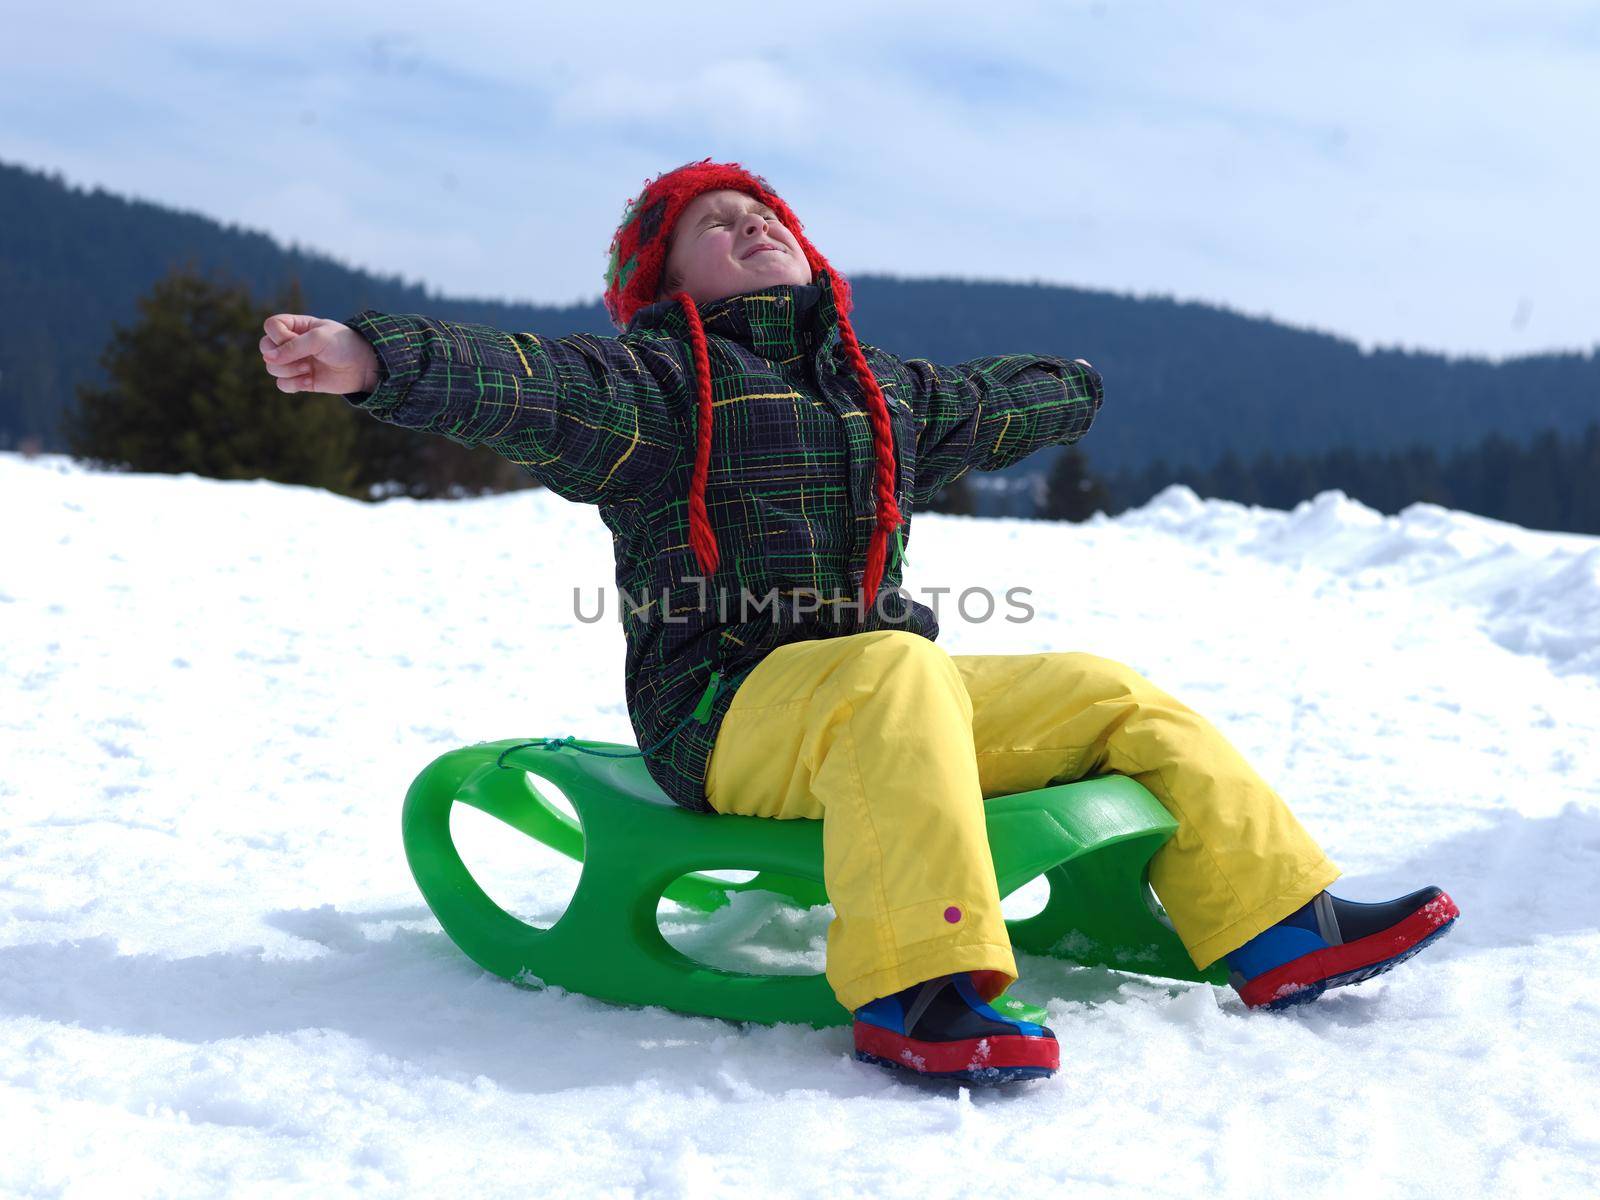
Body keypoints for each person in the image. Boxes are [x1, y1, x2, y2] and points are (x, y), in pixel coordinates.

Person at [260, 160, 1459, 1086]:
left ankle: (1275, 923)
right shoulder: (654, 391)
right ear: (668, 285)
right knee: (894, 668)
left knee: (1101, 690)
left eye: (759, 212)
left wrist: (1078, 384)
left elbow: (984, 404)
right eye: (710, 228)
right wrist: (375, 357)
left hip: (886, 706)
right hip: (727, 717)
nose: (748, 226)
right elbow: (525, 380)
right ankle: (917, 988)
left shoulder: (871, 390)